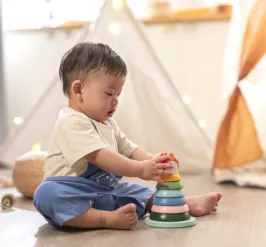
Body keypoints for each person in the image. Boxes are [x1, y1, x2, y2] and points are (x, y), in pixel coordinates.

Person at [33, 42, 222, 230]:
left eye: (118, 94)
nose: (115, 101)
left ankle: (184, 205)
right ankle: (104, 219)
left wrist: (155, 162)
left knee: (136, 191)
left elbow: (130, 149)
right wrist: (141, 170)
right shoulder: (70, 122)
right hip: (73, 193)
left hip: (105, 192)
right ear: (78, 90)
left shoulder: (108, 124)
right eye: (109, 93)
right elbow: (99, 156)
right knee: (47, 194)